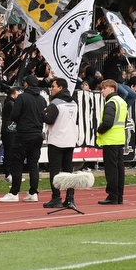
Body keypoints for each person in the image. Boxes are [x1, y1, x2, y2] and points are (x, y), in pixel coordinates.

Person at [0, 74, 45, 203]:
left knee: (17, 163)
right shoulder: (42, 99)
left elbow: (13, 115)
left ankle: (14, 192)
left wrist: (22, 120)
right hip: (37, 134)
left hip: (24, 134)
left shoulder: (22, 98)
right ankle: (33, 192)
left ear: (26, 84)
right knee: (33, 165)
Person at [42, 78, 77, 209]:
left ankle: (56, 197)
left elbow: (49, 120)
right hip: (70, 140)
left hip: (56, 140)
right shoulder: (74, 102)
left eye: (53, 86)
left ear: (60, 88)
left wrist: (43, 113)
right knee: (68, 171)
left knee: (55, 171)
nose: (51, 89)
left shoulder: (55, 103)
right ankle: (70, 198)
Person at [96, 79, 127, 205]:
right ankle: (119, 195)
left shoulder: (111, 103)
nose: (102, 91)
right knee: (119, 169)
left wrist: (99, 130)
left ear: (112, 89)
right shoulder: (122, 102)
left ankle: (112, 195)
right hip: (119, 138)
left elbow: (108, 122)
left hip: (110, 139)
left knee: (111, 169)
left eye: (104, 88)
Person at [1, 86, 19, 183]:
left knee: (13, 152)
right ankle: (8, 173)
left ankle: (12, 173)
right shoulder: (10, 104)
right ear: (13, 94)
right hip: (9, 131)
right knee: (9, 152)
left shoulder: (10, 103)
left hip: (11, 130)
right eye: (17, 94)